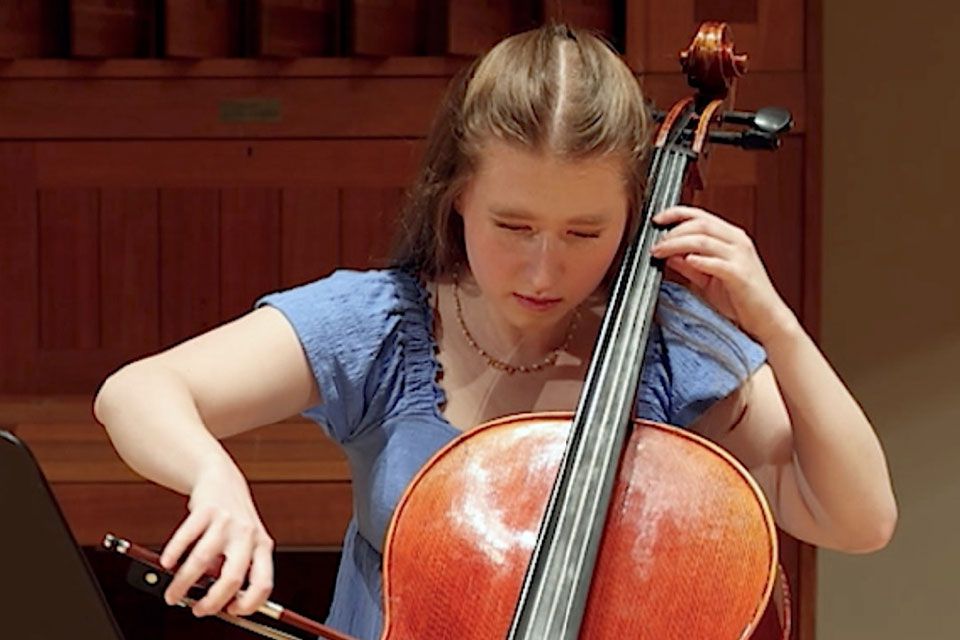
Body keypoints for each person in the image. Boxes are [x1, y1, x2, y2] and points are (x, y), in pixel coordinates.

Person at [93, 23, 897, 639]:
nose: (543, 272)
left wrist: (775, 325)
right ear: (457, 198)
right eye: (512, 225)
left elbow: (856, 521)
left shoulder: (669, 349)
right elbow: (137, 392)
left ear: (638, 215)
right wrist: (215, 479)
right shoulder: (387, 326)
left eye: (585, 234)